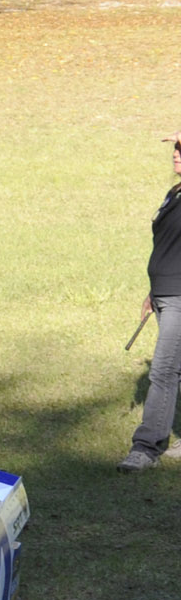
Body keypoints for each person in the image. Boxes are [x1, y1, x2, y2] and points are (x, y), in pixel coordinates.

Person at [124, 135, 181, 471]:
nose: (176, 154)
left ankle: (146, 448)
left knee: (162, 369)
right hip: (164, 292)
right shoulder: (173, 194)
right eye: (176, 148)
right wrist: (152, 291)